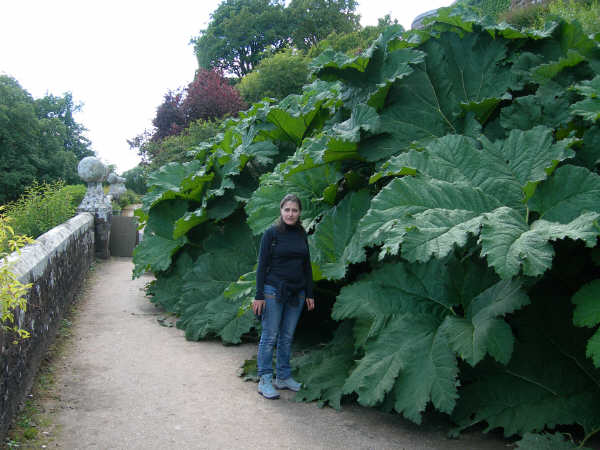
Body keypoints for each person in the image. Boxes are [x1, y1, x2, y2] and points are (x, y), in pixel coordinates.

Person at [252, 193, 315, 399]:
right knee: (270, 336)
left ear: (299, 213)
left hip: (297, 292)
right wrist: (258, 295)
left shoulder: (301, 234)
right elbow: (262, 266)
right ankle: (265, 379)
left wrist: (309, 292)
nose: (290, 213)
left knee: (287, 337)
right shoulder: (271, 234)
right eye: (287, 209)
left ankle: (283, 376)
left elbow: (306, 265)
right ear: (281, 211)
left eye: (294, 210)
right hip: (273, 291)